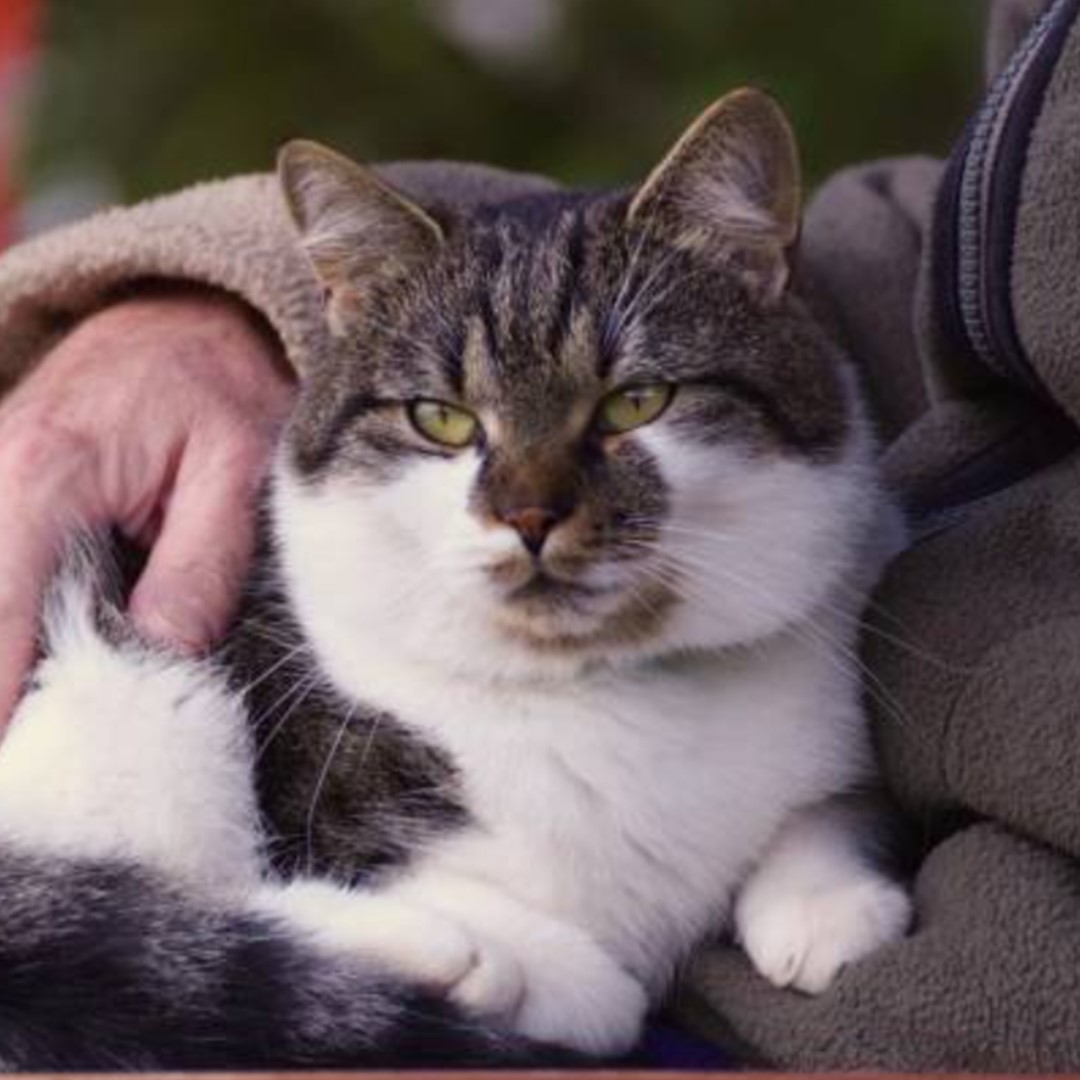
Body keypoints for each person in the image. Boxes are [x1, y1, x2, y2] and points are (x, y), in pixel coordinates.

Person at [4, 0, 1079, 1069]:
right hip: (153, 889)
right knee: (142, 721)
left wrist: (813, 851)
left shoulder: (840, 666)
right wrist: (210, 291)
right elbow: (948, 239)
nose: (529, 507)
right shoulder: (313, 703)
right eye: (444, 423)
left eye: (625, 408)